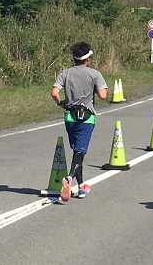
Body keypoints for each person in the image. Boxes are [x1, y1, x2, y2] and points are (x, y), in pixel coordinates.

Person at [51, 42, 108, 201]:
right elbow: (103, 95)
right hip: (87, 117)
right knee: (80, 152)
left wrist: (60, 103)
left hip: (69, 116)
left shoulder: (65, 73)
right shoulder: (94, 74)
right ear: (88, 58)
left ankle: (81, 187)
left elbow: (54, 92)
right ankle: (69, 179)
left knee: (77, 151)